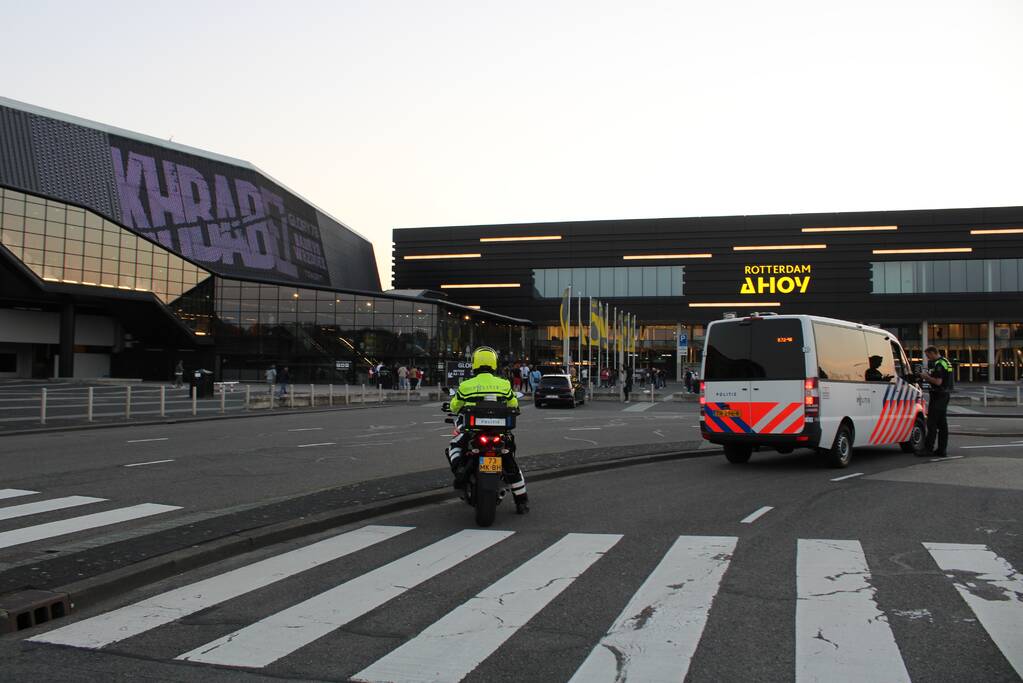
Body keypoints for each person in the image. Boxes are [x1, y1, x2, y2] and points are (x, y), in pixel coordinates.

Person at [447, 346, 529, 514]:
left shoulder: (466, 385)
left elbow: (454, 407)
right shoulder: (504, 384)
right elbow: (513, 404)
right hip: (499, 432)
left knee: (454, 446)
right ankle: (521, 501)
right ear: (494, 364)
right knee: (511, 463)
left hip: (473, 431)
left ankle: (460, 473)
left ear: (475, 363)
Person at [920, 346, 953, 457]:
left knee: (932, 423)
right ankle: (941, 450)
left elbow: (938, 382)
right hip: (944, 395)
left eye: (928, 355)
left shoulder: (939, 364)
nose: (927, 358)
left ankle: (928, 449)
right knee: (942, 424)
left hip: (939, 395)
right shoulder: (945, 362)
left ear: (933, 352)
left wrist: (926, 377)